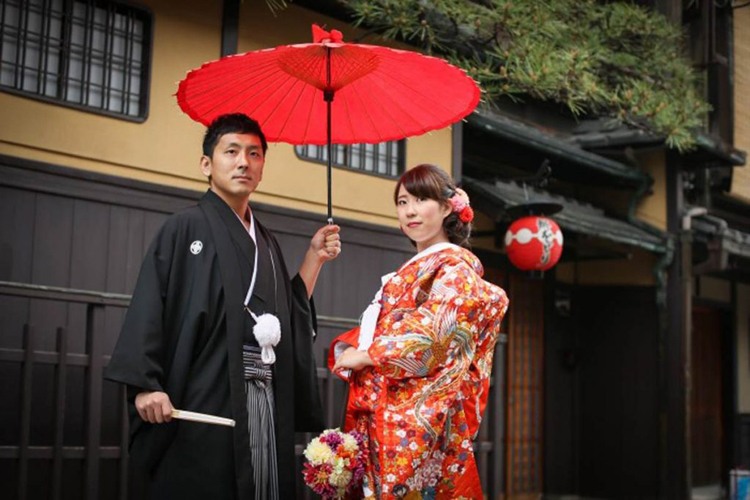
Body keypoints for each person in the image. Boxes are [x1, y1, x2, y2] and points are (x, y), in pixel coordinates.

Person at [105, 113, 341, 500]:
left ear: (263, 167)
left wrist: (314, 258)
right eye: (231, 151)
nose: (243, 162)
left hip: (262, 404)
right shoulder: (184, 228)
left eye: (254, 153)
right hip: (205, 397)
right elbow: (151, 304)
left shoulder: (266, 241)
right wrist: (145, 384)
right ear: (206, 164)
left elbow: (284, 312)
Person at [330, 164, 509, 499]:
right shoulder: (418, 269)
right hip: (384, 415)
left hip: (414, 422)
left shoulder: (455, 269)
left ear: (446, 208)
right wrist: (351, 351)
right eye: (402, 202)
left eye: (421, 200)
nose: (410, 211)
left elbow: (432, 336)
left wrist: (368, 355)